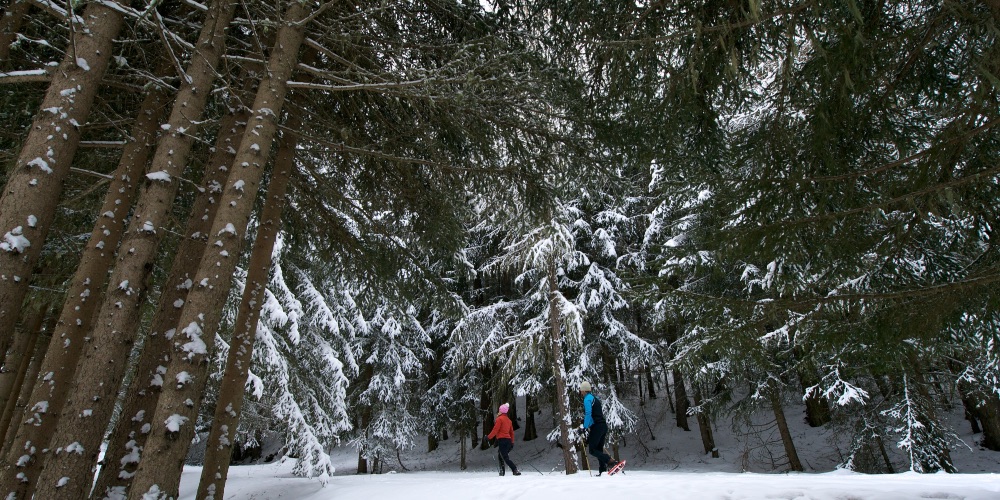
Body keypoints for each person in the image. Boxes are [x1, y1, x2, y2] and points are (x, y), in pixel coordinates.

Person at [579, 381, 622, 475]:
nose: (580, 392)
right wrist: (585, 422)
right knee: (598, 449)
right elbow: (595, 414)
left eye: (581, 390)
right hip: (603, 426)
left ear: (583, 390)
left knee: (592, 450)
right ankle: (602, 471)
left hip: (597, 427)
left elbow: (588, 413)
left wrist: (584, 427)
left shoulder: (587, 399)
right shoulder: (594, 398)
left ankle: (610, 461)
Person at [486, 402, 521, 476]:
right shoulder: (509, 420)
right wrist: (512, 442)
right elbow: (512, 433)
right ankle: (502, 472)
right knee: (500, 455)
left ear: (501, 411)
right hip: (508, 441)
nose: (498, 411)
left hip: (502, 441)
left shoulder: (499, 419)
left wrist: (488, 437)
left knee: (504, 457)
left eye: (499, 410)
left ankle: (514, 469)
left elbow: (495, 430)